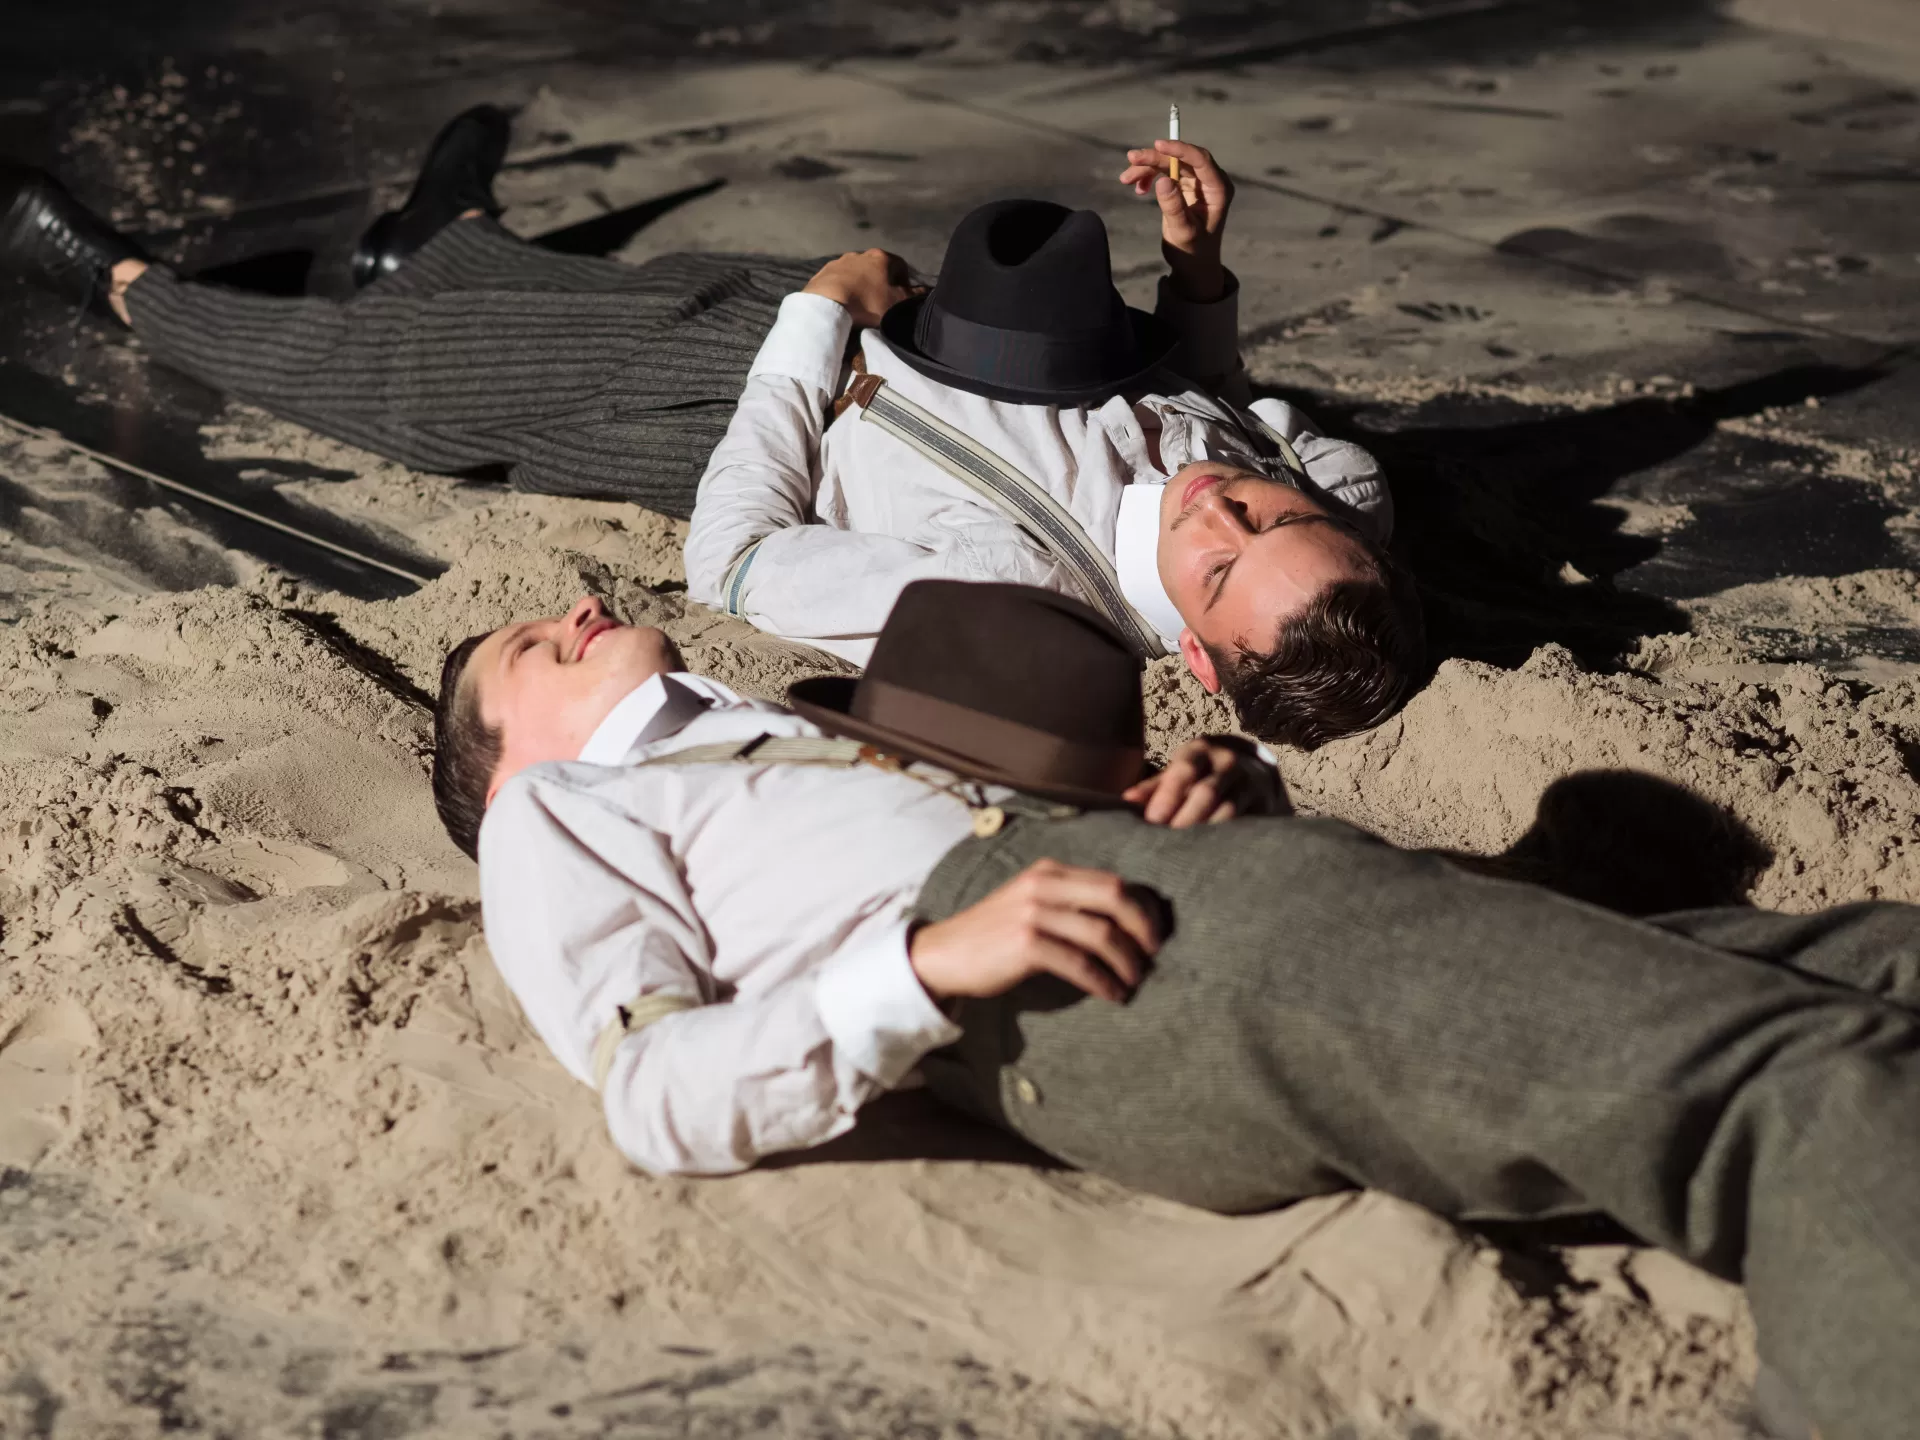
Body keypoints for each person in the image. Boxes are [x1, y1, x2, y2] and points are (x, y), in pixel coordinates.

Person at [439, 581, 1907, 1440]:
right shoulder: (556, 815)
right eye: (526, 650)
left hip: (1219, 891)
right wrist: (925, 962)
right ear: (499, 763)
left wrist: (1209, 798)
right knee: (1810, 1094)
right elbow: (652, 1091)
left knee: (1874, 970)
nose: (573, 610)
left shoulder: (796, 718)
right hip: (1117, 986)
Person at [0, 105, 1422, 748]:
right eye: (1274, 516)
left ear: (1194, 655)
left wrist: (816, 320)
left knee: (396, 379)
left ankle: (125, 282)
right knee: (607, 289)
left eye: (1226, 568)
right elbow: (1240, 417)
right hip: (895, 320)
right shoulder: (1325, 510)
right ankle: (449, 236)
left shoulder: (1005, 600)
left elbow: (737, 562)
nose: (1220, 513)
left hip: (732, 405)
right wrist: (1195, 275)